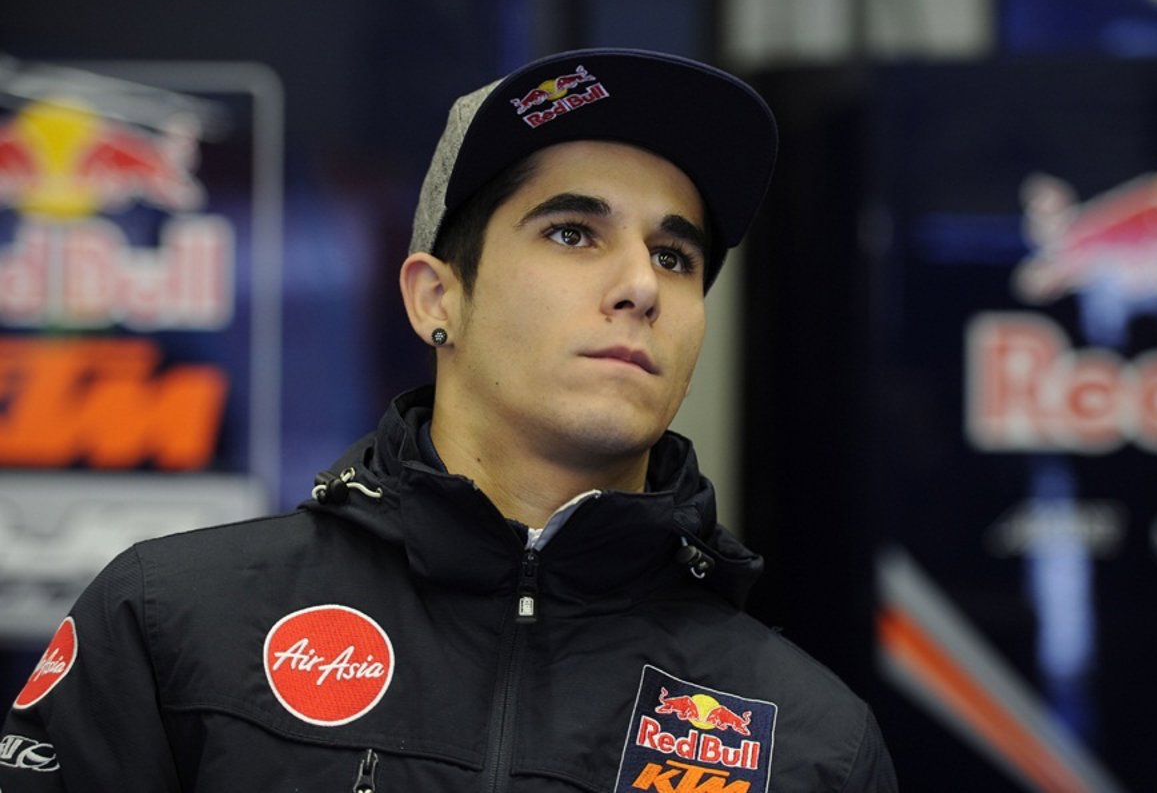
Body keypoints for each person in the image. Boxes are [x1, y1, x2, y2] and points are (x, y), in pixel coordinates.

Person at [0, 48, 897, 791]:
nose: (639, 285)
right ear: (438, 296)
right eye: (573, 232)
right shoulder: (172, 621)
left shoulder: (810, 742)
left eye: (673, 255)